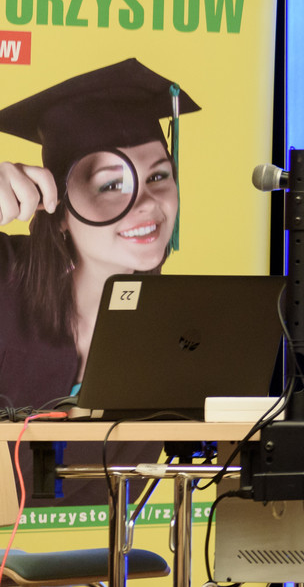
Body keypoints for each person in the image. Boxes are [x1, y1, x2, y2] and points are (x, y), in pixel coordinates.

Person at [0, 59, 198, 504]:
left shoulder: (178, 336)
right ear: (60, 209)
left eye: (159, 176)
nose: (146, 203)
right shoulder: (4, 277)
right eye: (111, 185)